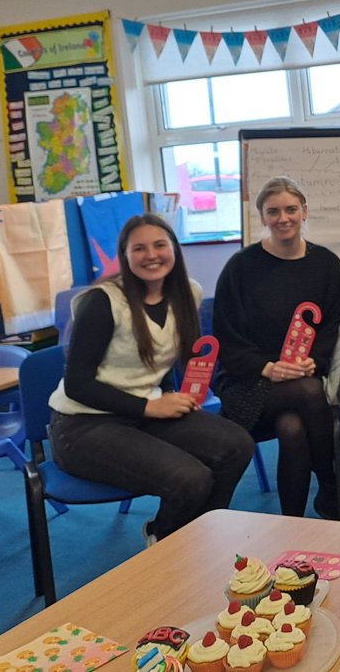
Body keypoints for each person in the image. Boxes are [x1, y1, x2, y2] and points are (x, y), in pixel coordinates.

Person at [49, 214, 254, 544]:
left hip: (143, 410)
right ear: (126, 256)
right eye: (139, 248)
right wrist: (149, 407)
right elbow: (77, 384)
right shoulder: (103, 301)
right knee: (191, 478)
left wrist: (169, 399)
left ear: (174, 248)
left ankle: (193, 535)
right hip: (83, 425)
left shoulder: (189, 293)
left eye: (160, 245)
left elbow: (166, 360)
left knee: (237, 445)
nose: (152, 255)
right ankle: (166, 541)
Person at [214, 176, 340, 519]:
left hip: (303, 379)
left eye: (291, 209)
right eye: (273, 211)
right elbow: (226, 340)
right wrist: (269, 369)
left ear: (304, 212)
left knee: (292, 428)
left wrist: (311, 364)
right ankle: (331, 485)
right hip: (248, 383)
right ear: (262, 217)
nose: (283, 218)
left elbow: (330, 328)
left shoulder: (326, 265)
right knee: (306, 394)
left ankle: (292, 522)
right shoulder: (240, 268)